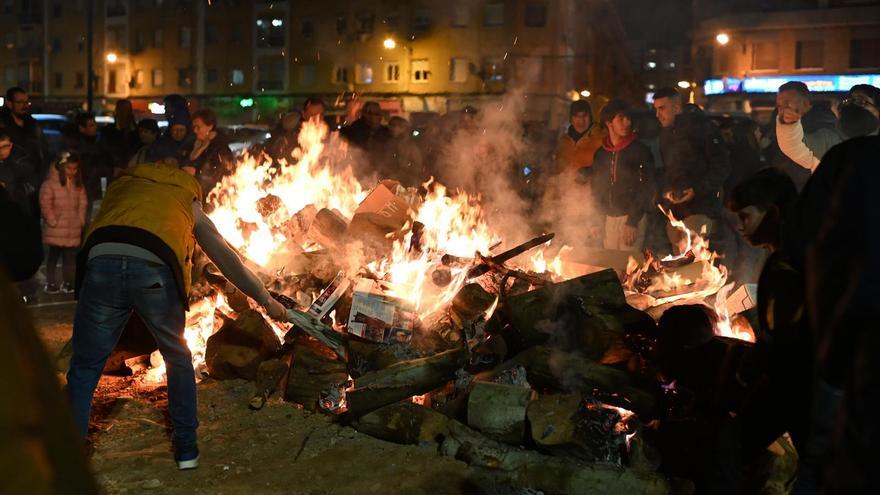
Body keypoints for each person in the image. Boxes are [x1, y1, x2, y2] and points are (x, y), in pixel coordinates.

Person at [68, 159, 287, 470]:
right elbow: (224, 257)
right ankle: (186, 452)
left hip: (100, 263)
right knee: (177, 357)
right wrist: (266, 299)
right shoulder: (185, 197)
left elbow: (97, 229)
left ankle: (70, 458)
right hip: (154, 269)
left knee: (85, 367)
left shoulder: (123, 187)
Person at [653, 87, 730, 254]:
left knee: (697, 262)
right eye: (655, 109)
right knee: (679, 266)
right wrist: (666, 194)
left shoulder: (703, 128)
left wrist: (697, 190)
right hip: (676, 212)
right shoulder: (665, 134)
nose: (657, 115)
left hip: (701, 209)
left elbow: (721, 166)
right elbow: (668, 170)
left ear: (676, 107)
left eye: (662, 108)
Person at [590, 100, 655, 251]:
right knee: (612, 267)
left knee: (629, 268)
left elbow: (647, 187)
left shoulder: (640, 150)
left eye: (628, 118)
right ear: (608, 122)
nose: (627, 123)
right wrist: (596, 220)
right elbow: (596, 188)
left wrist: (633, 221)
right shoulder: (601, 153)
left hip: (631, 217)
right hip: (608, 218)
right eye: (621, 118)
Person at [39, 152, 87, 294]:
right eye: (69, 168)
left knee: (70, 258)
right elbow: (45, 203)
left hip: (72, 227)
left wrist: (80, 219)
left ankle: (68, 282)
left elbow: (83, 203)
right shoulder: (50, 184)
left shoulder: (78, 185)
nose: (72, 171)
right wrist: (52, 220)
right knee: (53, 257)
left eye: (75, 168)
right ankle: (51, 281)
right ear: (61, 167)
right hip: (56, 228)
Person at [774, 81, 843, 180]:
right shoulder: (780, 123)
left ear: (805, 103)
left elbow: (799, 147)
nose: (782, 110)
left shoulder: (822, 124)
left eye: (787, 104)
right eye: (779, 106)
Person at [65, 112, 113, 208]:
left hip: (88, 189)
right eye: (91, 125)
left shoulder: (94, 143)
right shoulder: (78, 147)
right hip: (81, 189)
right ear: (82, 128)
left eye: (95, 124)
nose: (95, 127)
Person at [183, 108, 233, 198]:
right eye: (193, 127)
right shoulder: (193, 144)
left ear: (210, 126)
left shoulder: (219, 146)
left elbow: (224, 172)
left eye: (198, 127)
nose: (195, 130)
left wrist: (197, 172)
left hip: (212, 196)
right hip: (192, 193)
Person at [0, 86, 45, 178]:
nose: (24, 106)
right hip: (8, 178)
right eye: (19, 102)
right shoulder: (2, 124)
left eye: (26, 102)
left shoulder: (32, 123)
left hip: (33, 176)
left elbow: (43, 147)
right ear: (9, 103)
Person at [555, 99, 603, 176]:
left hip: (591, 186)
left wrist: (591, 171)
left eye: (585, 116)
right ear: (571, 119)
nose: (581, 121)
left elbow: (608, 166)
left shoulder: (601, 139)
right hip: (564, 186)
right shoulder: (563, 140)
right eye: (576, 116)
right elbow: (556, 167)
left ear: (590, 117)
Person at [100, 99, 140, 174]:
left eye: (128, 110)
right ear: (117, 111)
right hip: (114, 170)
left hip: (134, 170)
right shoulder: (108, 131)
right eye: (123, 109)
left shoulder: (137, 130)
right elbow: (104, 151)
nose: (126, 113)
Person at [387, 116, 424, 187]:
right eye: (391, 125)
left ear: (404, 128)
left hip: (408, 183)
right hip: (393, 181)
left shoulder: (411, 147)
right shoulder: (389, 144)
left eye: (396, 125)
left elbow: (417, 167)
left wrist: (405, 169)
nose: (392, 128)